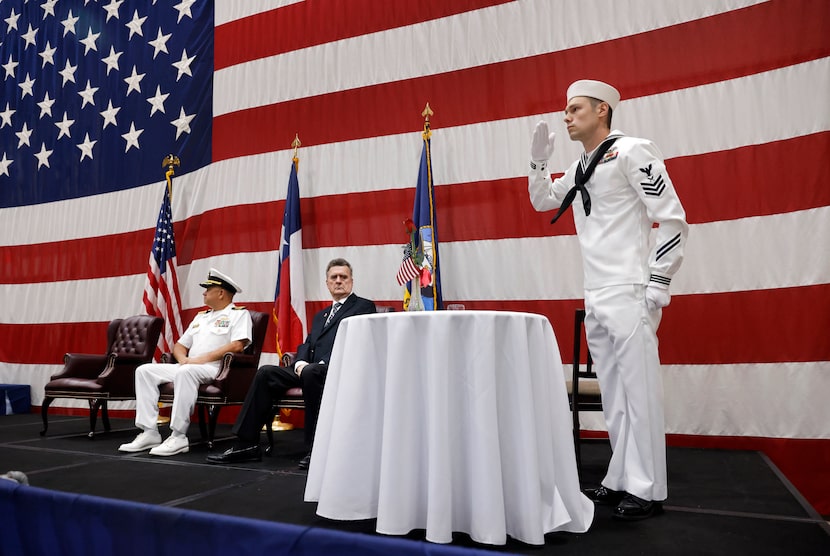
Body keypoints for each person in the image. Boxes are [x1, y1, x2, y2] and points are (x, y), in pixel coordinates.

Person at [528, 80, 688, 520]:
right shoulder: (581, 167)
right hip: (596, 292)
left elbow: (671, 218)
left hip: (630, 289)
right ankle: (621, 477)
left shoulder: (632, 151)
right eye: (565, 109)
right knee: (616, 395)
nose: (566, 116)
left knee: (640, 394)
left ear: (602, 111)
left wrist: (659, 282)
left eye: (575, 108)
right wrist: (539, 161)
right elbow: (543, 200)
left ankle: (649, 487)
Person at [206, 258, 376, 468]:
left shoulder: (363, 306)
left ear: (351, 281)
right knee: (266, 372)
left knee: (311, 373)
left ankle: (317, 449)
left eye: (343, 277)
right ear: (327, 282)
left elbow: (359, 343)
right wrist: (300, 362)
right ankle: (246, 444)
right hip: (310, 369)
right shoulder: (322, 315)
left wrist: (319, 364)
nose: (339, 281)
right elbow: (308, 343)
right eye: (334, 277)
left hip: (341, 368)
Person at [119, 269, 253, 457]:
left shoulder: (239, 315)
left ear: (221, 293)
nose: (204, 293)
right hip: (190, 366)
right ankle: (149, 432)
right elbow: (180, 345)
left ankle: (178, 436)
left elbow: (238, 345)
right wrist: (183, 360)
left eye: (208, 289)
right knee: (145, 370)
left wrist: (197, 360)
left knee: (185, 372)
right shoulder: (202, 317)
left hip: (216, 369)